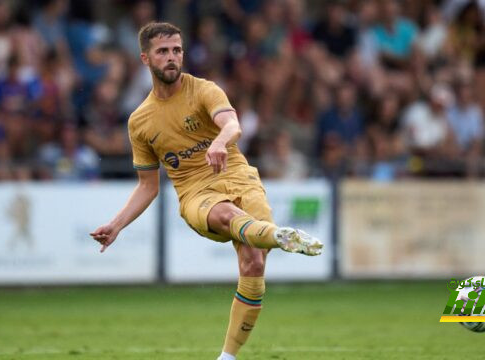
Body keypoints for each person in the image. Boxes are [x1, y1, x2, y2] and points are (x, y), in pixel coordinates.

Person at [89, 22, 322, 360]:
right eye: (163, 52)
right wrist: (116, 225)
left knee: (253, 264)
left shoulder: (204, 90)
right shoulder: (140, 121)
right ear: (145, 58)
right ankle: (278, 236)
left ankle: (226, 357)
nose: (172, 58)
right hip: (196, 194)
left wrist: (220, 140)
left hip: (239, 176)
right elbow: (147, 186)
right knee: (228, 216)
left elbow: (232, 124)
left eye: (177, 50)